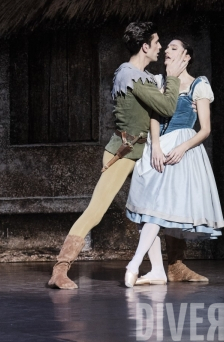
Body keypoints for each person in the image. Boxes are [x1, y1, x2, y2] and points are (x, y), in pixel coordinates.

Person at [49, 22, 208, 289]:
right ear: (145, 46)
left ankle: (175, 266)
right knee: (96, 210)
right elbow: (167, 106)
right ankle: (60, 269)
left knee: (164, 208)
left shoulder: (144, 76)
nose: (160, 47)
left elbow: (165, 108)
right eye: (157, 43)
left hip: (146, 154)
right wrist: (172, 77)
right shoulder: (130, 74)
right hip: (125, 154)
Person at [124, 38, 224, 287]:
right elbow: (155, 116)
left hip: (181, 146)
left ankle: (137, 263)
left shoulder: (198, 85)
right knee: (147, 208)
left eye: (173, 48)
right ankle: (157, 269)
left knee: (159, 209)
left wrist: (181, 148)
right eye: (166, 48)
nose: (167, 51)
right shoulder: (159, 81)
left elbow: (205, 129)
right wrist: (155, 145)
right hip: (158, 146)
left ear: (186, 56)